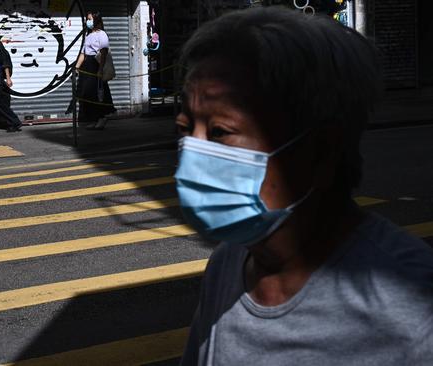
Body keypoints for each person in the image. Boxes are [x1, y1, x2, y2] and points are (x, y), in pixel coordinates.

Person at [175, 7, 433, 365]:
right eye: (186, 130)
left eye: (219, 132)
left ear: (319, 152)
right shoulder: (229, 261)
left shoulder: (414, 306)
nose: (194, 154)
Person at [74, 11, 116, 130]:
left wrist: (101, 69)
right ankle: (93, 118)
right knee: (86, 94)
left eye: (90, 19)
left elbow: (103, 52)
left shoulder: (101, 34)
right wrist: (77, 67)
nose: (88, 21)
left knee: (97, 93)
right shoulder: (88, 35)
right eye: (87, 19)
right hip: (87, 66)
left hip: (95, 65)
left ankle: (101, 117)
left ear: (96, 20)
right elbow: (83, 52)